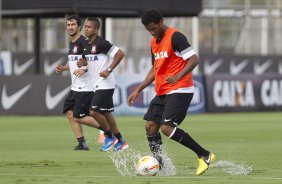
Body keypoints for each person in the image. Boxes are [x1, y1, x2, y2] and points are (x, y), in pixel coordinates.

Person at [127, 9, 215, 175]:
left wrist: (178, 75)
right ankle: (159, 163)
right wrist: (138, 89)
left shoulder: (176, 37)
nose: (152, 33)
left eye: (153, 28)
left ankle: (204, 154)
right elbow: (155, 69)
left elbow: (194, 59)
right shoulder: (154, 43)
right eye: (148, 30)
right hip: (163, 91)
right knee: (150, 126)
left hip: (181, 89)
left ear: (161, 22)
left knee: (166, 128)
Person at [75, 17, 128, 152]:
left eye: (89, 27)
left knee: (93, 112)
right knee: (107, 116)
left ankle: (109, 137)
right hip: (95, 84)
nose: (86, 29)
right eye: (85, 26)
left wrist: (109, 70)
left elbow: (120, 54)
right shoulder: (85, 45)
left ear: (96, 29)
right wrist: (83, 65)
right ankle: (121, 141)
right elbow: (89, 63)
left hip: (105, 83)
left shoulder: (102, 43)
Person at [56, 15, 101, 150]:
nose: (70, 27)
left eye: (73, 25)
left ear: (79, 27)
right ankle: (81, 143)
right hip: (76, 87)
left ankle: (106, 129)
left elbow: (92, 61)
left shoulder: (84, 43)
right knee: (70, 114)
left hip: (85, 87)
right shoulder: (72, 44)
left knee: (79, 116)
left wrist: (84, 68)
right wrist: (64, 68)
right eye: (68, 25)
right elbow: (76, 63)